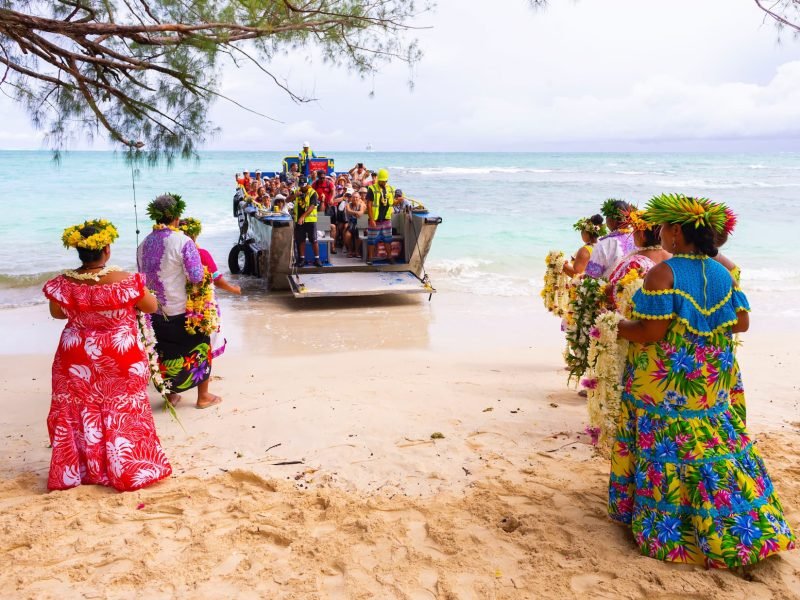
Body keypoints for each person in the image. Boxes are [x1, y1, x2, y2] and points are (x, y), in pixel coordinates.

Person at [611, 194, 795, 568]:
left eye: (665, 228)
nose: (661, 234)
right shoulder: (722, 271)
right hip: (710, 378)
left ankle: (675, 530)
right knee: (713, 441)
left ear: (677, 232)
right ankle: (741, 521)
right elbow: (741, 322)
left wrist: (614, 326)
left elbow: (650, 332)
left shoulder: (663, 273)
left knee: (667, 445)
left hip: (667, 381)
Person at [43, 219, 172, 491]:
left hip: (76, 355)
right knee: (121, 408)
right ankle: (125, 468)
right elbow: (150, 306)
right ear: (107, 250)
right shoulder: (126, 281)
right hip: (119, 353)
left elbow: (57, 314)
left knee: (80, 409)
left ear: (79, 251)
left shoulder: (64, 283)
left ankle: (83, 470)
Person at [137, 193, 221, 409]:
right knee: (201, 348)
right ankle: (203, 397)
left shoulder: (143, 244)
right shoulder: (183, 241)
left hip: (155, 311)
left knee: (165, 354)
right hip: (181, 311)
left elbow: (141, 276)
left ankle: (171, 396)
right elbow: (196, 276)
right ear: (176, 217)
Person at [180, 217, 241, 360]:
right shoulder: (201, 254)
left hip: (181, 302)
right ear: (194, 235)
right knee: (207, 335)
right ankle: (204, 367)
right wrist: (233, 289)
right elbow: (217, 279)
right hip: (203, 304)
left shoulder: (175, 255)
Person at [606, 208, 671, 308]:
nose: (633, 235)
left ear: (642, 235)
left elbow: (613, 292)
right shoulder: (672, 256)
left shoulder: (635, 263)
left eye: (634, 231)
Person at [585, 199, 636, 279]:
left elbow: (592, 276)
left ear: (612, 220)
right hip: (636, 285)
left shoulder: (604, 244)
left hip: (609, 286)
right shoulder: (637, 238)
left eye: (607, 216)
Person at [365, 168, 395, 265]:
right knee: (372, 240)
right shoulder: (372, 188)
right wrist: (372, 219)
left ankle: (389, 257)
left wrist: (399, 201)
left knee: (388, 240)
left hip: (386, 219)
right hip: (375, 220)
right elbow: (369, 205)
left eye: (384, 181)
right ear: (378, 179)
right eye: (381, 180)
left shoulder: (390, 189)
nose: (383, 182)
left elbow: (392, 202)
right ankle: (370, 258)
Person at [293, 176, 323, 267]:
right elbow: (287, 200)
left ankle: (317, 259)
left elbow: (312, 206)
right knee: (301, 240)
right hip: (299, 221)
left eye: (304, 185)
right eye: (301, 185)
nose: (302, 187)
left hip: (310, 220)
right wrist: (295, 195)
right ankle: (302, 259)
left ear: (308, 184)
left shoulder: (313, 192)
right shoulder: (297, 191)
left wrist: (302, 217)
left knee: (313, 240)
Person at [344, 189, 366, 258]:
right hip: (351, 224)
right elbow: (348, 211)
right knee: (347, 235)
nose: (355, 199)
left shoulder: (362, 205)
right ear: (351, 198)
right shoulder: (348, 204)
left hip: (360, 224)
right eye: (353, 197)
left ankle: (357, 251)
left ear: (359, 198)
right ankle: (350, 250)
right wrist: (357, 213)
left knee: (359, 234)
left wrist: (353, 212)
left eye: (356, 197)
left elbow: (361, 213)